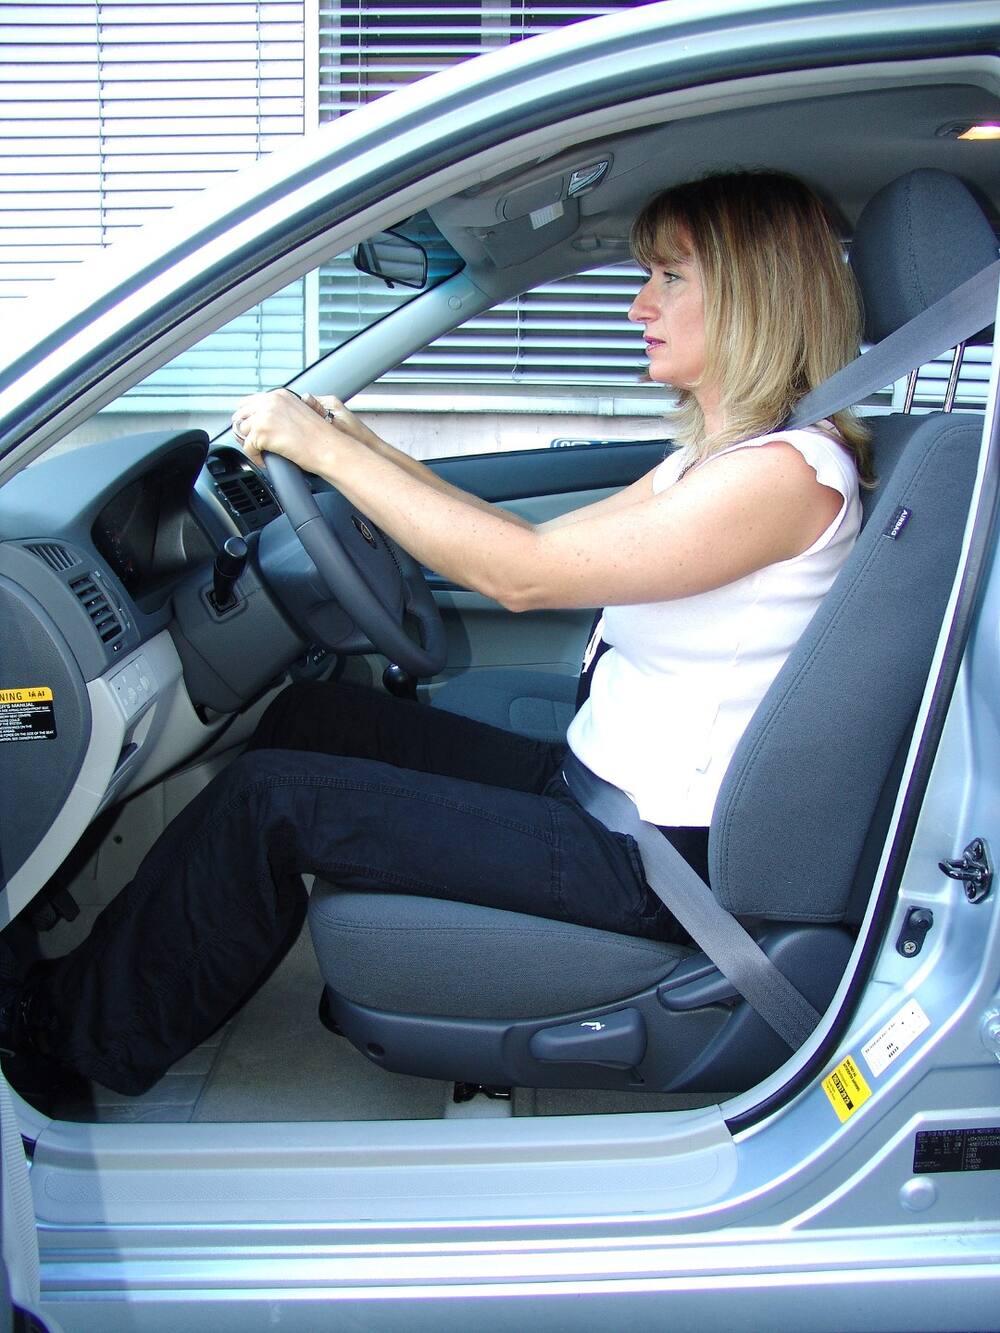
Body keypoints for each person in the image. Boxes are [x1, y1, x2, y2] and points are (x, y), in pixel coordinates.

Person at [1, 170, 870, 1098]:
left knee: (270, 795)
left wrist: (325, 450)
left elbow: (521, 574)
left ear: (752, 295)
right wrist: (370, 451)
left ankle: (74, 1040)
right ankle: (112, 978)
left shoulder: (785, 476)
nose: (636, 304)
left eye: (670, 277)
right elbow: (542, 541)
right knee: (315, 718)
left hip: (645, 858)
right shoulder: (718, 460)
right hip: (594, 786)